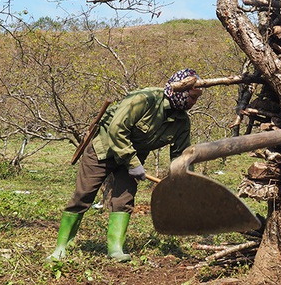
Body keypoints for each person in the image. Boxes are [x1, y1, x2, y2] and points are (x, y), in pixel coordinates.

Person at [46, 68, 203, 262]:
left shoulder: (181, 122)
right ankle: (61, 247)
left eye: (197, 99)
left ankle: (115, 249)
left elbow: (181, 156)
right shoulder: (144, 99)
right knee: (83, 195)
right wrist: (133, 163)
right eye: (193, 97)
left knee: (124, 199)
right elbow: (116, 129)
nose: (194, 103)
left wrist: (183, 183)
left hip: (133, 159)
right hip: (104, 150)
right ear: (181, 91)